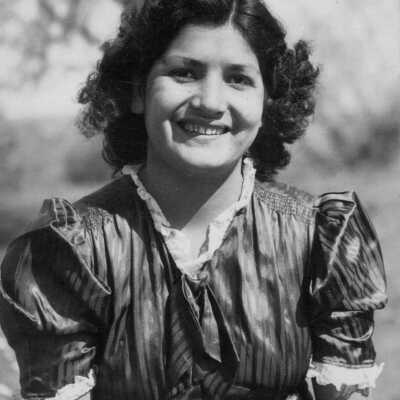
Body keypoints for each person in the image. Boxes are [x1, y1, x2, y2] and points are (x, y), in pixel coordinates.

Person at [0, 0, 387, 399]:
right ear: (138, 91)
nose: (210, 102)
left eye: (238, 79)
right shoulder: (72, 251)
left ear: (267, 101)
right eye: (185, 73)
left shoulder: (321, 242)